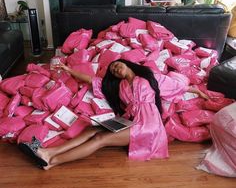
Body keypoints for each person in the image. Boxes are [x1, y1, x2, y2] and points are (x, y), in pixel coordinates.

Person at [19, 59, 208, 170]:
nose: (115, 70)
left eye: (116, 65)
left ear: (125, 63)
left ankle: (51, 161)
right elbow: (95, 81)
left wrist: (197, 91)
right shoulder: (120, 86)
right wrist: (68, 70)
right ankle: (48, 151)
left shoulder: (151, 77)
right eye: (113, 71)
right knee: (90, 129)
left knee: (100, 138)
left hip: (148, 125)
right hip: (130, 119)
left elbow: (178, 87)